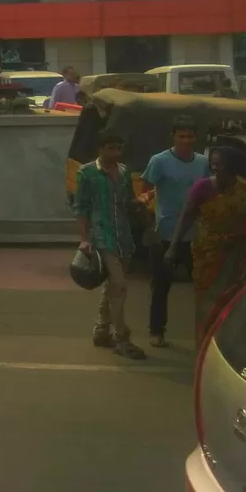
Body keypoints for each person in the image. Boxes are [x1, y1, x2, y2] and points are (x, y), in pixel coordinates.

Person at [167, 145, 246, 349]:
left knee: (233, 304)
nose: (215, 168)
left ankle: (226, 348)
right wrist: (173, 247)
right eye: (212, 164)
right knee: (205, 304)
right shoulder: (202, 188)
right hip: (207, 256)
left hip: (237, 258)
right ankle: (204, 349)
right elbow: (187, 218)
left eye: (219, 165)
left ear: (232, 167)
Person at [72, 130, 146, 359]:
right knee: (120, 285)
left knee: (112, 285)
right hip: (102, 237)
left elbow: (126, 201)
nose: (116, 153)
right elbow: (81, 207)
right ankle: (122, 337)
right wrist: (84, 239)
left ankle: (102, 330)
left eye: (118, 148)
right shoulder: (86, 173)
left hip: (122, 235)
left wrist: (142, 200)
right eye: (111, 148)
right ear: (101, 149)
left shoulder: (123, 172)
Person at [140, 119, 210, 347]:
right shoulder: (159, 161)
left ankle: (207, 335)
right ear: (173, 137)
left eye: (190, 137)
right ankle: (156, 331)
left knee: (203, 289)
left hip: (195, 236)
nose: (186, 141)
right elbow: (145, 192)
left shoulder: (203, 162)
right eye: (182, 136)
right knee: (160, 287)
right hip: (165, 234)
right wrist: (149, 226)